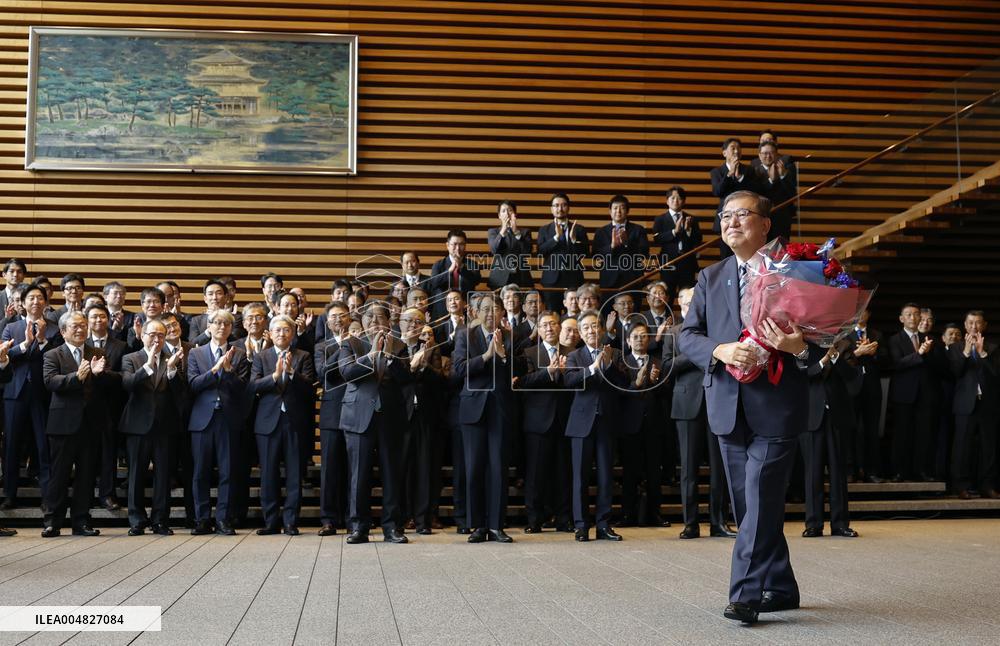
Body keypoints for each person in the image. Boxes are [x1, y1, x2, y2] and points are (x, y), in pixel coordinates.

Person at [680, 190, 824, 624]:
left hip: (776, 406)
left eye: (742, 215)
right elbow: (687, 336)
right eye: (725, 216)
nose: (731, 223)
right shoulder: (710, 277)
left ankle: (744, 594)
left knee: (759, 498)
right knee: (749, 507)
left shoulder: (796, 274)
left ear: (765, 225)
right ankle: (780, 586)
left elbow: (823, 346)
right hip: (727, 405)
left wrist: (799, 348)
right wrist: (721, 349)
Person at [663, 287, 735, 539]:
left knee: (720, 467)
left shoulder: (715, 331)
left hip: (717, 400)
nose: (692, 304)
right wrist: (695, 353)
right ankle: (690, 523)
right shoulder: (674, 332)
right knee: (689, 468)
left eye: (696, 300)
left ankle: (719, 522)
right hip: (686, 404)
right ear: (680, 305)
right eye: (687, 301)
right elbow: (666, 368)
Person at [452, 294, 523, 543]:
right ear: (476, 312)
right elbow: (458, 369)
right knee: (474, 468)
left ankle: (496, 526)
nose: (491, 314)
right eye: (486, 309)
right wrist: (486, 357)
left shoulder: (511, 337)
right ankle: (477, 526)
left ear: (503, 312)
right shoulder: (465, 335)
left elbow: (520, 370)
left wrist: (503, 355)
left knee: (498, 469)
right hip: (472, 409)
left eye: (496, 309)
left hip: (500, 409)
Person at [338, 305, 411, 544]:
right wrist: (371, 357)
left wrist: (389, 356)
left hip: (390, 417)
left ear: (389, 322)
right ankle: (359, 527)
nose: (374, 321)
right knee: (359, 475)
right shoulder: (351, 344)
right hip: (359, 416)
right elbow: (347, 372)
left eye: (380, 317)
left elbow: (406, 379)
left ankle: (392, 527)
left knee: (392, 475)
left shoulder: (399, 346)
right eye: (369, 316)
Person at [40, 311, 112, 538]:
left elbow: (106, 387)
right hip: (62, 424)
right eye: (75, 326)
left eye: (83, 325)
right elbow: (50, 381)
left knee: (86, 475)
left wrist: (100, 376)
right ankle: (52, 521)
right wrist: (76, 377)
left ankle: (81, 521)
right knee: (59, 475)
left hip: (90, 424)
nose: (81, 329)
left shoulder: (97, 353)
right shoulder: (53, 354)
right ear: (63, 331)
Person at [564, 309, 628, 542]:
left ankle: (603, 524)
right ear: (581, 333)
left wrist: (608, 365)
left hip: (607, 423)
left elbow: (625, 384)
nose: (591, 330)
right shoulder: (575, 356)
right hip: (581, 423)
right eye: (586, 327)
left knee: (605, 476)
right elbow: (569, 381)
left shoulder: (615, 354)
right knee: (579, 477)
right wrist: (592, 369)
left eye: (595, 326)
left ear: (601, 329)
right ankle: (581, 525)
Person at [250, 315, 317, 536]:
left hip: (295, 423)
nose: (282, 334)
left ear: (292, 333)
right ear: (270, 333)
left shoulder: (303, 356)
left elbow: (310, 389)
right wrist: (276, 375)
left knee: (294, 475)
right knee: (268, 474)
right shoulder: (261, 357)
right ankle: (270, 522)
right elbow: (253, 387)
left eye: (286, 330)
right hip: (268, 423)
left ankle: (290, 522)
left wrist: (290, 373)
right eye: (277, 330)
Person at [120, 319, 186, 536]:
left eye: (161, 335)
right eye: (152, 334)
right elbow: (128, 385)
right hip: (138, 425)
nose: (157, 339)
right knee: (136, 474)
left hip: (165, 425)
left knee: (164, 475)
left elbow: (182, 393)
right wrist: (148, 364)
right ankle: (137, 520)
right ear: (142, 335)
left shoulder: (172, 359)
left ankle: (160, 520)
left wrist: (173, 371)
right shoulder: (131, 358)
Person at [187, 309, 250, 535]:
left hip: (228, 419)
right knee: (200, 472)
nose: (221, 327)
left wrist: (229, 371)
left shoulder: (239, 354)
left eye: (226, 324)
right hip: (202, 420)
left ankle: (223, 519)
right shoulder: (196, 354)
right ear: (209, 326)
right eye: (217, 323)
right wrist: (215, 371)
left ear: (231, 328)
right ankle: (202, 519)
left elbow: (243, 388)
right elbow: (193, 384)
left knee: (228, 472)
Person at [2, 282, 63, 508]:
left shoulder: (55, 329)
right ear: (23, 303)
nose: (35, 302)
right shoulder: (11, 328)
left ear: (46, 303)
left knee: (43, 445)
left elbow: (56, 357)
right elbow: (5, 356)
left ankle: (48, 496)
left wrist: (41, 340)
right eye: (31, 298)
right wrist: (26, 344)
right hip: (14, 393)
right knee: (11, 445)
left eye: (40, 298)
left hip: (43, 394)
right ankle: (9, 494)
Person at [515, 311, 574, 533]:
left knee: (563, 473)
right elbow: (523, 382)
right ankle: (534, 519)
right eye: (544, 325)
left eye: (553, 324)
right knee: (535, 474)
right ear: (538, 330)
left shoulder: (573, 353)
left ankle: (564, 518)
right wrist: (547, 372)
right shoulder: (529, 353)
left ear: (559, 328)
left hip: (565, 420)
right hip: (538, 421)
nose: (549, 328)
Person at [800, 342, 862, 538]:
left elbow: (853, 378)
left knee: (838, 473)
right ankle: (813, 523)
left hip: (838, 417)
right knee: (813, 472)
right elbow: (800, 375)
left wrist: (835, 358)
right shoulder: (803, 345)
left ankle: (841, 523)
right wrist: (822, 362)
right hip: (811, 417)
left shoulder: (845, 346)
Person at [887, 303, 943, 481]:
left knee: (924, 434)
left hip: (926, 393)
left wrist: (928, 353)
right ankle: (899, 472)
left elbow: (938, 367)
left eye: (916, 314)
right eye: (909, 315)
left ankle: (922, 471)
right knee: (902, 434)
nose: (913, 318)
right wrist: (918, 353)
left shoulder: (929, 339)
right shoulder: (895, 339)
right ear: (901, 319)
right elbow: (897, 363)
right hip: (904, 393)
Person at [949, 310, 998, 499]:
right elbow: (955, 373)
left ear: (984, 325)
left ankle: (987, 485)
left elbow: (995, 376)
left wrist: (983, 353)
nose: (974, 327)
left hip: (987, 404)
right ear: (965, 325)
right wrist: (967, 352)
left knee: (989, 446)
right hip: (964, 403)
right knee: (962, 446)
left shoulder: (993, 347)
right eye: (970, 323)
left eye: (978, 323)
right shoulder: (956, 348)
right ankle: (961, 485)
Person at [85, 303, 129, 512]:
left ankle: (107, 494)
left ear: (108, 319)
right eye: (93, 317)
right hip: (84, 406)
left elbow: (123, 376)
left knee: (108, 452)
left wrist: (102, 373)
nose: (98, 320)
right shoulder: (81, 344)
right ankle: (85, 496)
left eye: (102, 316)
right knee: (85, 453)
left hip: (110, 406)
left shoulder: (120, 345)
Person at [314, 301, 352, 535]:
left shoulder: (361, 343)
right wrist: (343, 346)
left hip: (356, 411)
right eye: (334, 316)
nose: (339, 319)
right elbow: (323, 372)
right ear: (327, 322)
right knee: (329, 468)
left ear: (349, 318)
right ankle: (328, 519)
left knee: (352, 468)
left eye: (343, 315)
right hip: (331, 412)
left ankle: (351, 517)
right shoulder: (321, 347)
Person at [538, 193, 589, 313]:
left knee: (574, 314)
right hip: (551, 281)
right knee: (552, 314)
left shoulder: (579, 229)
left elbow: (586, 253)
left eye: (563, 205)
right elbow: (540, 251)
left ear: (568, 207)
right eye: (556, 205)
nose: (560, 209)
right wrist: (556, 237)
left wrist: (574, 240)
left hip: (574, 279)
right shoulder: (544, 230)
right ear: (551, 208)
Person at [710, 139, 761, 259]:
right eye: (733, 148)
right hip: (726, 220)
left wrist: (740, 179)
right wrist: (729, 174)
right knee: (726, 256)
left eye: (739, 148)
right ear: (724, 153)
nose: (736, 151)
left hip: (745, 218)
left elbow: (754, 192)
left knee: (748, 254)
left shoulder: (749, 170)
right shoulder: (717, 172)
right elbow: (717, 191)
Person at [652, 186, 702, 301]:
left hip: (687, 264)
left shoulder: (692, 219)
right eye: (672, 198)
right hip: (668, 264)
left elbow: (698, 240)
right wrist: (674, 232)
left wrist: (689, 231)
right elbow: (657, 239)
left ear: (683, 201)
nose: (675, 201)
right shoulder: (660, 219)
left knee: (688, 297)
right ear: (667, 200)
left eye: (679, 198)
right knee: (666, 296)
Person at [591, 195, 650, 293]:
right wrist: (611, 246)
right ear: (610, 211)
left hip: (632, 279)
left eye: (622, 208)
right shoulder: (601, 232)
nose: (618, 211)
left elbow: (644, 253)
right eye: (615, 208)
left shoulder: (638, 230)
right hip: (609, 280)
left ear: (627, 211)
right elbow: (595, 255)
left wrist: (627, 244)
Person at [428, 230, 481, 319]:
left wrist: (462, 269)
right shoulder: (439, 265)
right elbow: (433, 283)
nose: (458, 248)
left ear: (465, 246)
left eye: (461, 244)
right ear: (448, 245)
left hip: (466, 308)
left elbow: (476, 281)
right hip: (443, 309)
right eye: (454, 244)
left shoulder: (472, 264)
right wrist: (449, 271)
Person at [487, 200, 534, 289]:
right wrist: (503, 231)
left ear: (515, 214)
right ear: (499, 216)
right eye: (503, 211)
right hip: (499, 277)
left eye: (510, 210)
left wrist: (516, 232)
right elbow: (494, 250)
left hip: (521, 276)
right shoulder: (493, 232)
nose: (507, 213)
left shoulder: (525, 232)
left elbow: (527, 251)